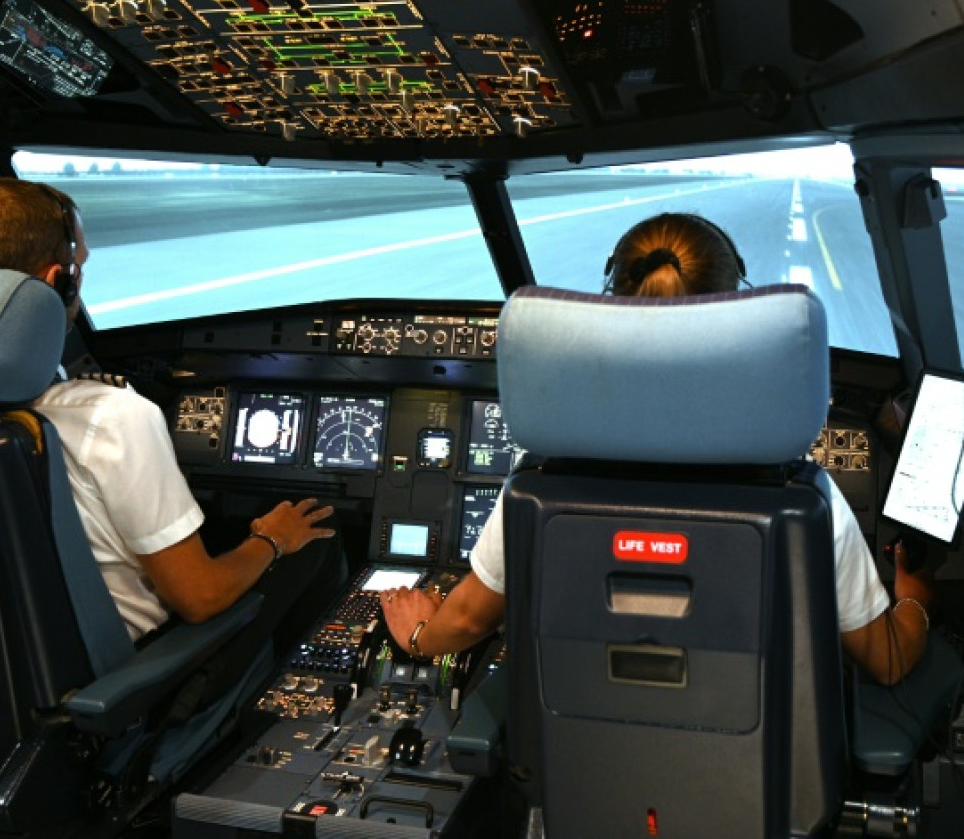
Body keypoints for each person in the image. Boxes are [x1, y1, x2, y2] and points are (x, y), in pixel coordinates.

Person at [382, 212, 934, 685]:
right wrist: (915, 600)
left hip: (581, 768)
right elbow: (887, 659)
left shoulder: (542, 482)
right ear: (735, 311)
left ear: (614, 307)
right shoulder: (801, 495)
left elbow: (470, 621)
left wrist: (419, 636)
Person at [0, 177, 341, 649]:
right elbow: (201, 599)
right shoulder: (110, 417)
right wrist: (272, 538)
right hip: (130, 680)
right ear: (57, 282)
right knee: (315, 546)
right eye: (78, 267)